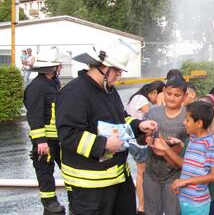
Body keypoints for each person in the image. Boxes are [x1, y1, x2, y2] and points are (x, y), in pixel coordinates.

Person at [56, 42, 158, 214]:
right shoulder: (74, 93)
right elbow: (69, 135)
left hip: (117, 177)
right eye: (116, 69)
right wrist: (103, 144)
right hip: (90, 185)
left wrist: (139, 125)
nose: (119, 74)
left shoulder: (108, 89)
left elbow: (120, 118)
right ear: (102, 67)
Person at [23, 47, 70, 213]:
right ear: (52, 68)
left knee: (69, 168)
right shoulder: (37, 87)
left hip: (58, 138)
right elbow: (34, 115)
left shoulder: (53, 83)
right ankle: (49, 202)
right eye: (59, 65)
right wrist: (41, 141)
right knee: (45, 172)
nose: (61, 68)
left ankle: (75, 197)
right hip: (45, 141)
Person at [143, 78, 189, 215]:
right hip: (152, 171)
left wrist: (175, 146)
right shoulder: (153, 112)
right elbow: (145, 138)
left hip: (175, 175)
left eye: (177, 95)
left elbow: (189, 148)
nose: (172, 98)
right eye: (169, 94)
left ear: (185, 96)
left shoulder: (187, 116)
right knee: (151, 211)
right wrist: (149, 138)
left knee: (173, 211)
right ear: (163, 92)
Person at [170, 101, 214, 215]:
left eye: (187, 120)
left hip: (198, 203)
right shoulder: (191, 140)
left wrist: (185, 181)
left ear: (199, 123)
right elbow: (186, 165)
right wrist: (165, 150)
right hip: (185, 198)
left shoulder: (209, 144)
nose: (184, 123)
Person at [126, 80, 165, 214]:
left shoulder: (136, 97)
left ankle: (141, 206)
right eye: (161, 94)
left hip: (132, 140)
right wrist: (160, 103)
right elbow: (155, 116)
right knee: (143, 174)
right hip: (139, 141)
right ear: (154, 93)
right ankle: (142, 206)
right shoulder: (142, 100)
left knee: (140, 173)